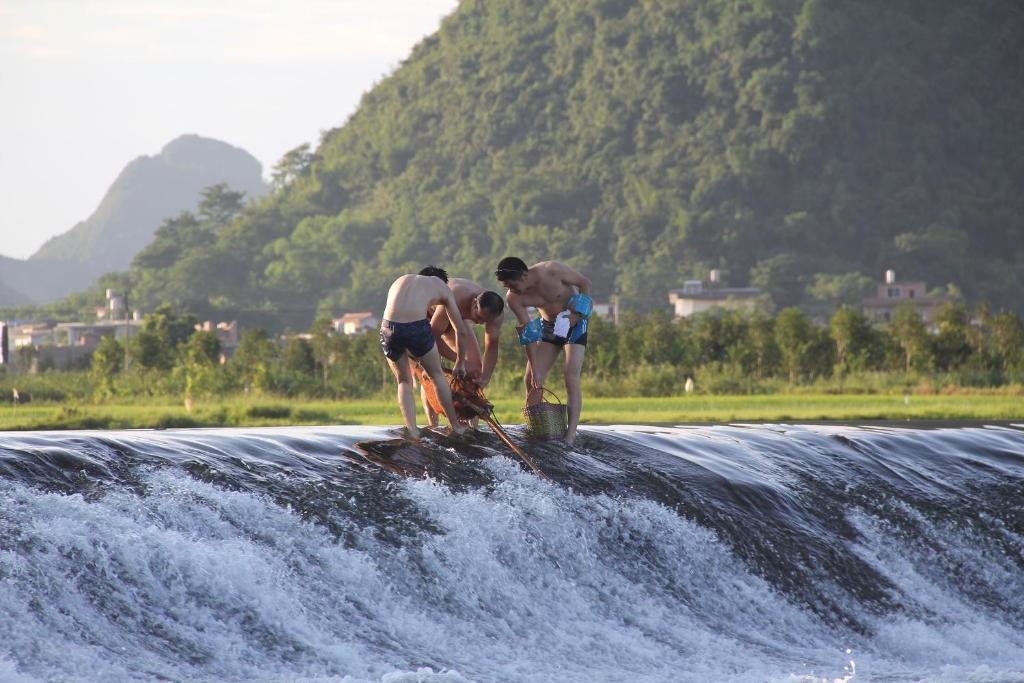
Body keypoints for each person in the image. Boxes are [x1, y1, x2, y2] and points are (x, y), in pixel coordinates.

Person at [495, 257, 592, 445]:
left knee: (570, 375)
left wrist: (576, 315)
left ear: (524, 275)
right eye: (506, 287)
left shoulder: (552, 270)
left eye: (513, 286)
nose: (511, 291)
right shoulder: (513, 298)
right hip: (548, 327)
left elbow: (585, 284)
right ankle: (537, 429)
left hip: (575, 323)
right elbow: (529, 334)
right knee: (531, 378)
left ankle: (570, 435)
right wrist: (535, 368)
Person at [380, 267, 469, 438]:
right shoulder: (441, 286)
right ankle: (455, 426)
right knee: (436, 376)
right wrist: (460, 362)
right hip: (416, 327)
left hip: (387, 327)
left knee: (404, 380)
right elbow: (460, 330)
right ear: (442, 281)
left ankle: (412, 430)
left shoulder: (402, 279)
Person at [419, 271, 505, 427]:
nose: (479, 323)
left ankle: (473, 425)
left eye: (485, 321)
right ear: (473, 304)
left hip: (458, 321)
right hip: (429, 318)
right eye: (479, 318)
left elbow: (491, 345)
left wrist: (484, 378)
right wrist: (459, 361)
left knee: (475, 369)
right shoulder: (455, 297)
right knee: (430, 371)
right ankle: (434, 426)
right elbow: (432, 337)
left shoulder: (496, 315)